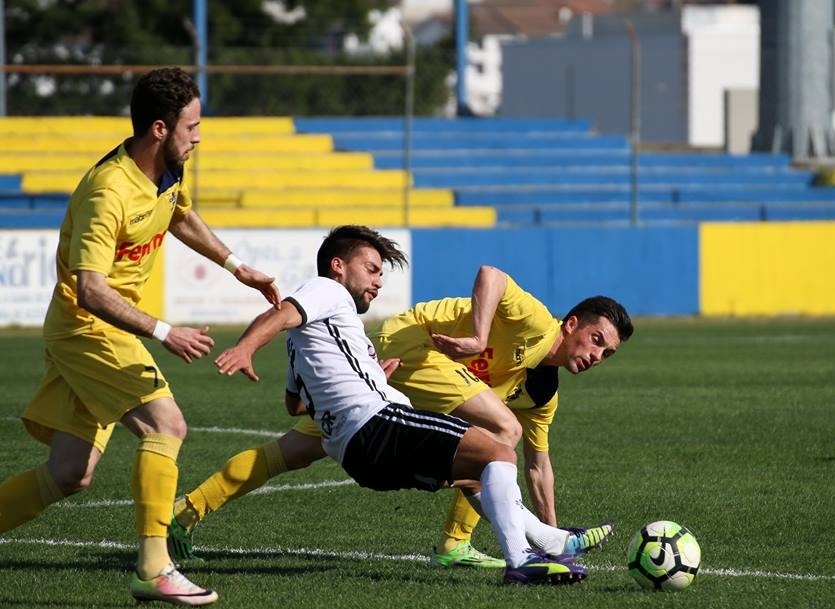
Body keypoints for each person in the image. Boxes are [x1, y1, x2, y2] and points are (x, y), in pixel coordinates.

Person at [0, 67, 281, 606]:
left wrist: (236, 266)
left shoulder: (166, 171)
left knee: (69, 473)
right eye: (191, 127)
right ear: (159, 128)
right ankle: (154, 567)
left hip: (100, 329)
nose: (198, 137)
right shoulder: (109, 191)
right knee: (166, 423)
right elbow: (90, 290)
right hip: (87, 328)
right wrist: (164, 331)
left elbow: (181, 217)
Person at [169, 267, 633, 568]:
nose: (597, 355)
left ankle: (184, 513)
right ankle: (516, 550)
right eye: (596, 340)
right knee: (500, 432)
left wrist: (554, 527)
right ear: (572, 324)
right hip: (409, 349)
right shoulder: (537, 322)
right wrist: (477, 336)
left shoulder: (543, 392)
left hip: (379, 389)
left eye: (607, 353)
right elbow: (490, 275)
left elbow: (539, 466)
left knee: (289, 452)